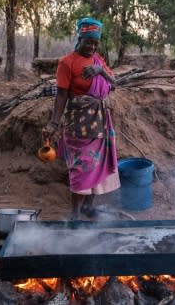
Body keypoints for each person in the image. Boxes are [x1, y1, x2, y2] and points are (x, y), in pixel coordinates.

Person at [43, 17, 120, 220]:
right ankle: (75, 213)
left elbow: (115, 83)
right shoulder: (67, 63)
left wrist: (100, 70)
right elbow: (61, 94)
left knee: (97, 164)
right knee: (81, 167)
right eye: (88, 42)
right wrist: (54, 122)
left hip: (101, 121)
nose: (92, 46)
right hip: (79, 124)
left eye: (95, 43)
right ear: (80, 39)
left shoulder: (98, 60)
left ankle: (88, 206)